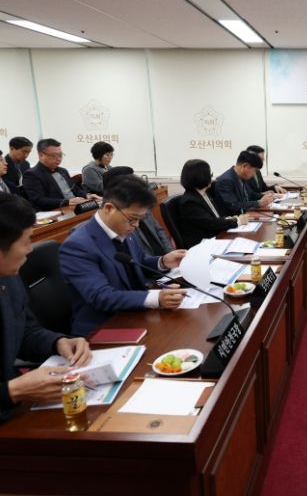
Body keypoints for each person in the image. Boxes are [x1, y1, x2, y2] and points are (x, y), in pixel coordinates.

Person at [59, 175, 187, 337]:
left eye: (140, 219)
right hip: (103, 328)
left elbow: (138, 262)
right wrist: (156, 298)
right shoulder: (77, 246)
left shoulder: (123, 229)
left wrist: (163, 261)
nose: (136, 225)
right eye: (133, 219)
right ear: (109, 208)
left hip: (135, 313)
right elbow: (101, 296)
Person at [0, 194, 91, 419]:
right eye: (26, 241)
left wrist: (58, 342)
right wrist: (12, 391)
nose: (30, 250)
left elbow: (24, 331)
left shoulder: (9, 277)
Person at [102, 167, 173, 258]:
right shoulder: (114, 219)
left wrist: (170, 253)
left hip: (162, 259)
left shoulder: (139, 204)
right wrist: (160, 261)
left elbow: (159, 230)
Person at [23, 138, 99, 210]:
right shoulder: (32, 174)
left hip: (76, 207)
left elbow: (75, 189)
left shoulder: (63, 171)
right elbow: (38, 200)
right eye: (54, 156)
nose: (58, 159)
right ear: (41, 155)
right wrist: (68, 202)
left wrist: (87, 195)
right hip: (57, 211)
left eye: (60, 155)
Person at [179, 159, 239, 248]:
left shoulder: (204, 193)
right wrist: (237, 221)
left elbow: (215, 217)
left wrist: (230, 218)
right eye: (209, 175)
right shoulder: (189, 201)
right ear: (201, 177)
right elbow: (212, 223)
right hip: (203, 244)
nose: (211, 177)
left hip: (216, 237)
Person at [215, 150, 274, 215]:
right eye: (254, 170)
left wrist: (266, 196)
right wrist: (258, 203)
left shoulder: (242, 176)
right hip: (234, 218)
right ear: (244, 166)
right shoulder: (226, 180)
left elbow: (251, 195)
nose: (254, 174)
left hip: (246, 215)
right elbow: (234, 205)